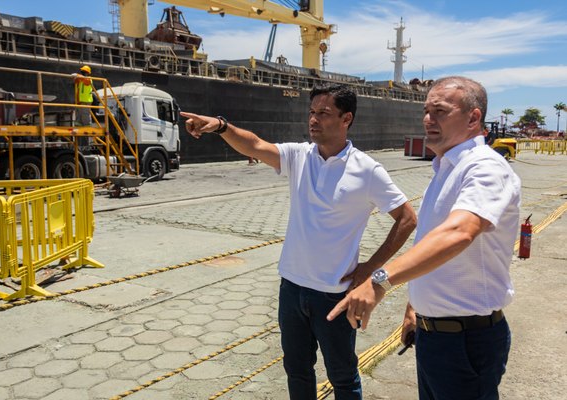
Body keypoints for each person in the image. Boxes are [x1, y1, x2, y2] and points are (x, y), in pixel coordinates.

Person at [181, 84, 416, 399]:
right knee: (297, 370)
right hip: (291, 288)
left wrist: (370, 269)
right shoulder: (299, 156)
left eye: (323, 113)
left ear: (346, 119)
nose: (313, 120)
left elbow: (407, 218)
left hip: (334, 295)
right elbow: (254, 145)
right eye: (312, 113)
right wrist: (222, 127)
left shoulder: (367, 170)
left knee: (343, 376)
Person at [328, 76, 521, 400]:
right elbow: (431, 246)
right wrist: (414, 306)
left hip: (467, 340)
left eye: (440, 111)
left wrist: (379, 282)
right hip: (436, 334)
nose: (428, 119)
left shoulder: (486, 167)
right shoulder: (444, 170)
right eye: (426, 111)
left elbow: (459, 232)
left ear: (474, 118)